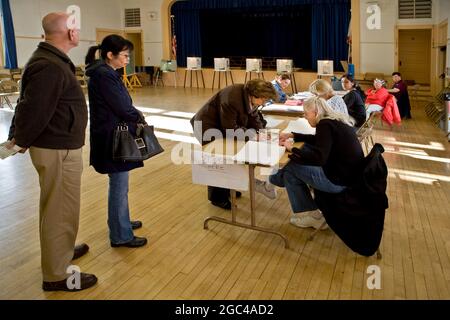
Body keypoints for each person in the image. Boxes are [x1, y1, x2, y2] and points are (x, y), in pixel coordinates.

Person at [6, 12, 97, 291]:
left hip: (60, 146)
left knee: (62, 207)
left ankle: (62, 250)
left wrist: (18, 138)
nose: (79, 32)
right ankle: (57, 274)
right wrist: (18, 140)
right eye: (76, 28)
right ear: (69, 34)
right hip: (57, 148)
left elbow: (28, 104)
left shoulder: (50, 60)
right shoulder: (49, 65)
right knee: (59, 209)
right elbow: (33, 109)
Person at [256, 96, 364, 230]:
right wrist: (293, 136)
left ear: (316, 113)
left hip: (338, 181)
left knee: (290, 164)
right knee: (291, 171)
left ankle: (270, 185)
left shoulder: (324, 124)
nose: (305, 117)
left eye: (306, 114)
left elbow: (319, 158)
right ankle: (313, 215)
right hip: (346, 176)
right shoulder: (333, 121)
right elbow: (319, 140)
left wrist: (292, 148)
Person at [85, 35, 148, 248]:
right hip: (112, 137)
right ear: (110, 55)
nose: (127, 59)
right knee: (119, 185)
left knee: (121, 184)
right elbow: (122, 107)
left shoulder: (107, 72)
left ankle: (121, 221)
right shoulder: (104, 75)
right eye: (124, 55)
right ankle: (121, 234)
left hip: (111, 133)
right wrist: (138, 116)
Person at [190, 79, 278, 210]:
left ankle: (228, 186)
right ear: (255, 95)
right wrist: (254, 135)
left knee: (232, 156)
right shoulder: (232, 99)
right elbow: (230, 129)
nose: (264, 103)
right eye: (264, 100)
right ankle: (217, 198)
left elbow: (253, 116)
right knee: (220, 158)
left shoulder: (249, 96)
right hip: (207, 126)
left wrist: (263, 133)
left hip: (221, 126)